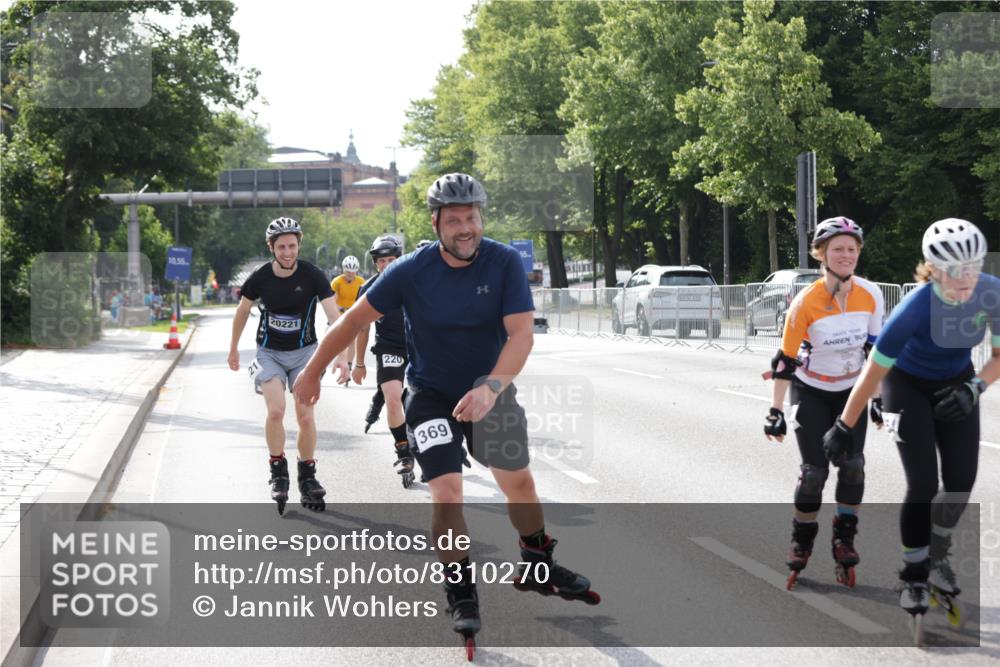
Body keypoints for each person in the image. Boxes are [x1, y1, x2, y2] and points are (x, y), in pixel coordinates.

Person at [294, 173, 598, 653]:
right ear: (436, 223)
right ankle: (460, 590)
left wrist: (492, 387)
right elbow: (354, 320)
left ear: (482, 217)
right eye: (453, 219)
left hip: (488, 389)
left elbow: (521, 335)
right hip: (432, 394)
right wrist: (311, 373)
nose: (465, 228)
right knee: (448, 491)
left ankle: (537, 559)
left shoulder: (502, 263)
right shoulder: (410, 270)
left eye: (472, 217)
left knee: (518, 482)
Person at [823, 218, 999, 642]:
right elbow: (871, 375)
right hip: (905, 386)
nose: (965, 281)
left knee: (960, 481)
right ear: (933, 269)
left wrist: (975, 387)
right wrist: (844, 425)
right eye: (954, 273)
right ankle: (913, 572)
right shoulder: (914, 309)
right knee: (922, 482)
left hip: (958, 384)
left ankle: (938, 552)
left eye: (972, 269)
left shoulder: (991, 292)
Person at [763, 216, 885, 589]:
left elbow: (875, 352)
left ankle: (843, 539)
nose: (846, 255)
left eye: (851, 249)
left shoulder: (871, 294)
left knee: (853, 467)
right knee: (814, 473)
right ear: (821, 254)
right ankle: (802, 541)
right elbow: (785, 361)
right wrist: (775, 411)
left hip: (852, 391)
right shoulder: (806, 302)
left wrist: (878, 399)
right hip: (811, 390)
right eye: (838, 249)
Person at [227, 217, 348, 514]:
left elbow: (336, 319)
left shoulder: (313, 275)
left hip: (306, 354)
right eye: (281, 246)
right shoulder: (260, 277)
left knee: (305, 417)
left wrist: (342, 357)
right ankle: (277, 470)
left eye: (292, 245)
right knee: (276, 410)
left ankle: (307, 476)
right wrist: (233, 348)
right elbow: (243, 311)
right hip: (269, 353)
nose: (288, 252)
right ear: (271, 247)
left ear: (299, 245)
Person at [351, 234, 417, 487]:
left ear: (400, 259)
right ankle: (403, 453)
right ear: (376, 263)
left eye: (392, 260)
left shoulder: (415, 282)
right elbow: (361, 327)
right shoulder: (368, 289)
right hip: (389, 347)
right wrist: (357, 363)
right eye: (382, 261)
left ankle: (429, 444)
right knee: (392, 399)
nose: (387, 265)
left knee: (420, 402)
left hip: (419, 347)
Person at [330, 255, 366, 383]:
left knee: (352, 342)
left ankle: (349, 366)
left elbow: (364, 298)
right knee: (332, 339)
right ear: (343, 270)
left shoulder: (361, 281)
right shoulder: (337, 281)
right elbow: (332, 298)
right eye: (348, 271)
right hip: (340, 313)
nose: (350, 274)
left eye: (353, 271)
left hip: (353, 313)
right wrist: (337, 308)